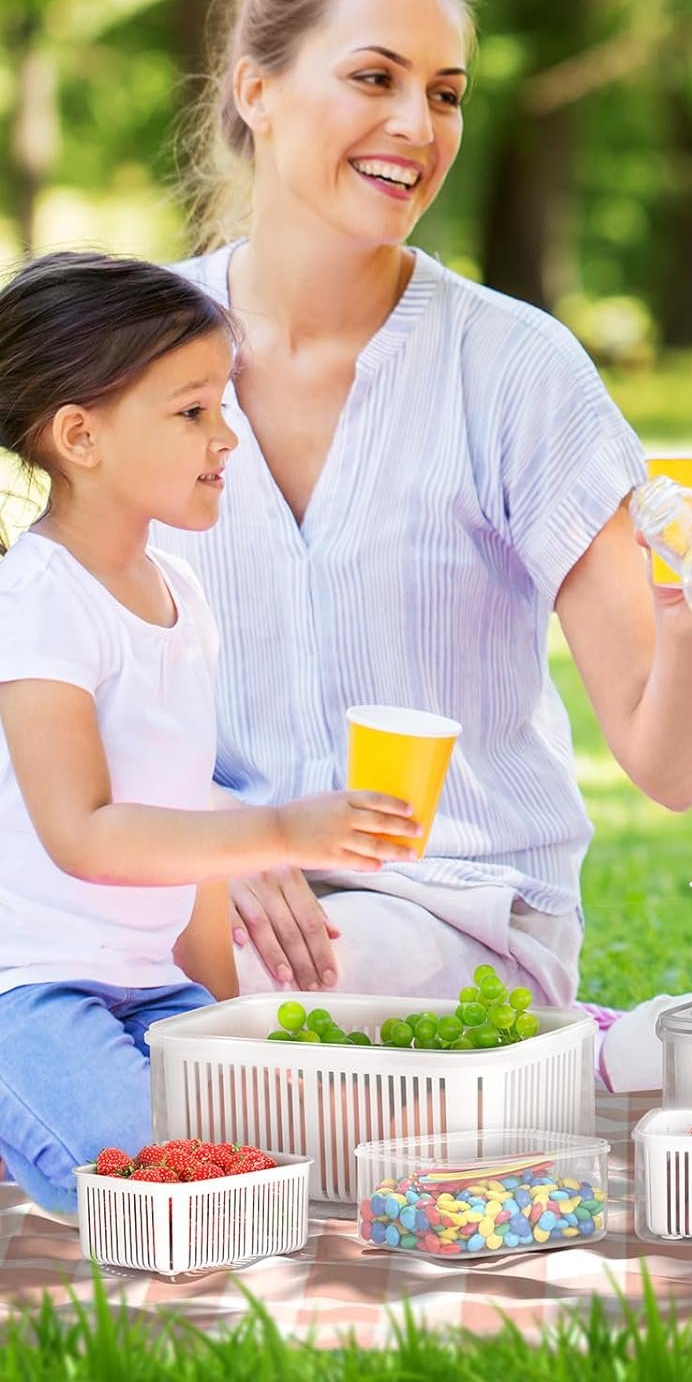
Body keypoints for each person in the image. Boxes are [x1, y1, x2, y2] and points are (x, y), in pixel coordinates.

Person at [159, 0, 692, 1015]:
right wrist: (205, 846)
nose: (419, 130)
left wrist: (688, 609)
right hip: (185, 882)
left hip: (445, 911)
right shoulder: (135, 351)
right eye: (374, 79)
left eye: (446, 95)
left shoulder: (517, 368)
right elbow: (55, 703)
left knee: (292, 995)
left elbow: (669, 771)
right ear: (257, 91)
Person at [0, 253, 418, 1213]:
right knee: (162, 1187)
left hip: (149, 990)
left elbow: (184, 825)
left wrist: (225, 1015)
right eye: (191, 412)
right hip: (30, 994)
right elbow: (88, 834)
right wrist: (282, 832)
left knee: (292, 1154)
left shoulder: (180, 594)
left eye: (223, 405)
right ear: (80, 437)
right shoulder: (37, 603)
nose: (226, 437)